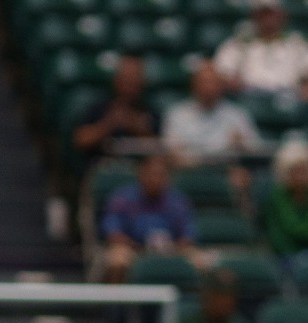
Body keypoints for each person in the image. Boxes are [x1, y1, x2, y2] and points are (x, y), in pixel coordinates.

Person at [98, 152, 197, 283]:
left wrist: (171, 248)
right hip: (133, 250)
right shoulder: (123, 199)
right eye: (151, 174)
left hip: (172, 251)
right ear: (141, 174)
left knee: (203, 262)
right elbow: (113, 233)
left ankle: (191, 302)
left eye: (160, 175)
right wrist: (139, 248)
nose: (155, 179)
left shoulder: (178, 202)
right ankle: (116, 302)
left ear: (168, 178)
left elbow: (188, 236)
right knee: (117, 260)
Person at [162, 63, 261, 187]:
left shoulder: (237, 115)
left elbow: (256, 148)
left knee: (242, 177)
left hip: (225, 170)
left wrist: (242, 143)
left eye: (213, 82)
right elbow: (171, 149)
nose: (209, 87)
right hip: (187, 170)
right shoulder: (177, 114)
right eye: (204, 82)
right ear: (194, 85)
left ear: (221, 86)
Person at [213, 0, 308, 102]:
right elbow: (218, 72)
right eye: (263, 14)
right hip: (248, 99)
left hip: (290, 99)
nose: (268, 19)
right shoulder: (238, 44)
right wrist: (230, 82)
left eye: (272, 13)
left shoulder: (299, 43)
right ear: (254, 16)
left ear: (283, 15)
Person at [259, 140, 308, 260]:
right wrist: (297, 258)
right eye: (295, 171)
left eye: (303, 171)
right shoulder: (277, 197)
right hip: (285, 258)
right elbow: (276, 236)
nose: (300, 177)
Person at [71, 56, 159, 160]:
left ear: (142, 83)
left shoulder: (150, 111)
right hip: (103, 167)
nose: (130, 85)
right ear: (116, 80)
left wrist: (136, 128)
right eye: (126, 80)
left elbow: (160, 148)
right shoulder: (100, 108)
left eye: (134, 80)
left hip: (139, 170)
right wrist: (109, 124)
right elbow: (80, 140)